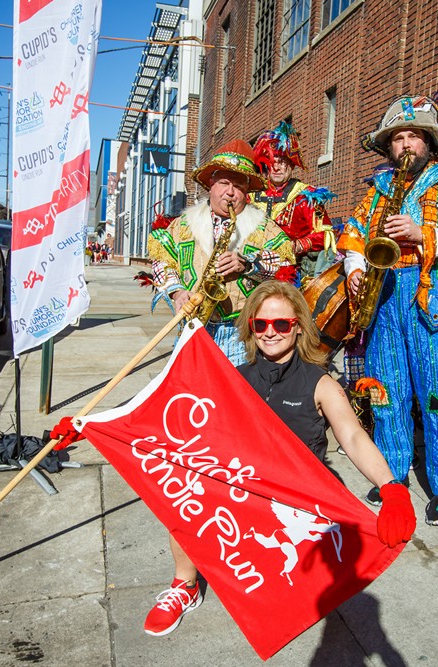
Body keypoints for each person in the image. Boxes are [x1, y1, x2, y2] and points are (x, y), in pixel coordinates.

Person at [143, 280, 417, 637]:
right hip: (244, 490)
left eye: (281, 324)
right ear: (251, 327)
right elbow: (183, 425)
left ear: (298, 326)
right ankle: (186, 586)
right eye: (261, 324)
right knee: (184, 490)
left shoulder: (321, 385)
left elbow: (352, 436)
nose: (270, 333)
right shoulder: (233, 378)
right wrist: (96, 427)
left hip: (294, 504)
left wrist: (392, 488)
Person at [337, 92, 438, 527]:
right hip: (383, 296)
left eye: (414, 136)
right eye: (398, 138)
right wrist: (354, 268)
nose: (406, 144)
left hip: (433, 300)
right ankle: (392, 476)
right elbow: (352, 236)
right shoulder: (378, 188)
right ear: (389, 146)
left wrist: (421, 233)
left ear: (429, 142)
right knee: (387, 394)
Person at [148, 139, 294, 365]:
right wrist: (177, 292)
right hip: (193, 327)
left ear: (246, 192)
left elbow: (285, 266)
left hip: (242, 334)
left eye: (238, 186)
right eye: (224, 183)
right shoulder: (183, 224)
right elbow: (160, 259)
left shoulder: (265, 227)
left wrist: (248, 265)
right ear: (211, 184)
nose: (230, 193)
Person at [249, 121, 336, 286]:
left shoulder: (306, 196)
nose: (276, 167)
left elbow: (327, 235)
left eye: (282, 161)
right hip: (252, 270)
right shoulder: (251, 196)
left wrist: (298, 245)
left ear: (291, 164)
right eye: (272, 162)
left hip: (291, 274)